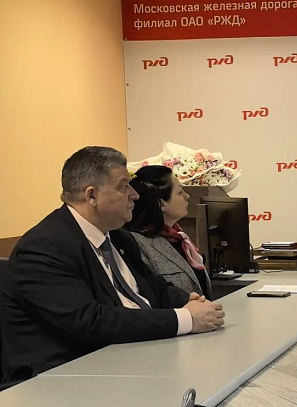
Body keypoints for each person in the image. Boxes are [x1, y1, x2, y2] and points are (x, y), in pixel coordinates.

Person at [0, 147, 225, 382]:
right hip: (67, 379)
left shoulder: (119, 236)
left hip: (132, 360)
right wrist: (186, 319)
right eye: (123, 186)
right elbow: (91, 322)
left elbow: (155, 287)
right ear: (91, 196)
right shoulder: (43, 248)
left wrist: (192, 303)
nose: (135, 195)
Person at [124, 165, 212, 300]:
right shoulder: (137, 243)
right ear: (161, 204)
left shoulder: (180, 238)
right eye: (180, 192)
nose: (187, 196)